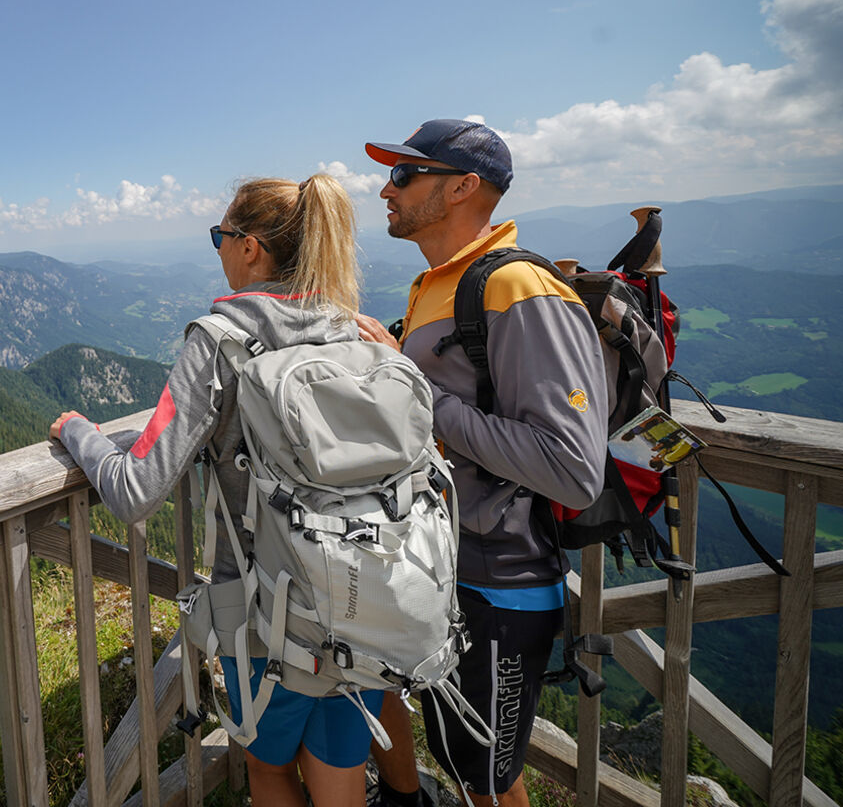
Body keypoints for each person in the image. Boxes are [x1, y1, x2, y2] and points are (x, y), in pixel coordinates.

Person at [51, 174, 387, 807]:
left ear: (251, 248)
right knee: (339, 777)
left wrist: (78, 433)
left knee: (268, 772)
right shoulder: (353, 331)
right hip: (360, 601)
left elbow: (134, 490)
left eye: (220, 237)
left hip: (266, 619)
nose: (220, 250)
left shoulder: (218, 342)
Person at [352, 120, 607, 807]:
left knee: (484, 779)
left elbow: (571, 469)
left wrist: (408, 381)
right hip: (444, 569)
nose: (385, 188)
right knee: (462, 756)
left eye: (404, 175)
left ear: (462, 186)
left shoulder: (518, 286)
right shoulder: (436, 284)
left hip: (501, 582)